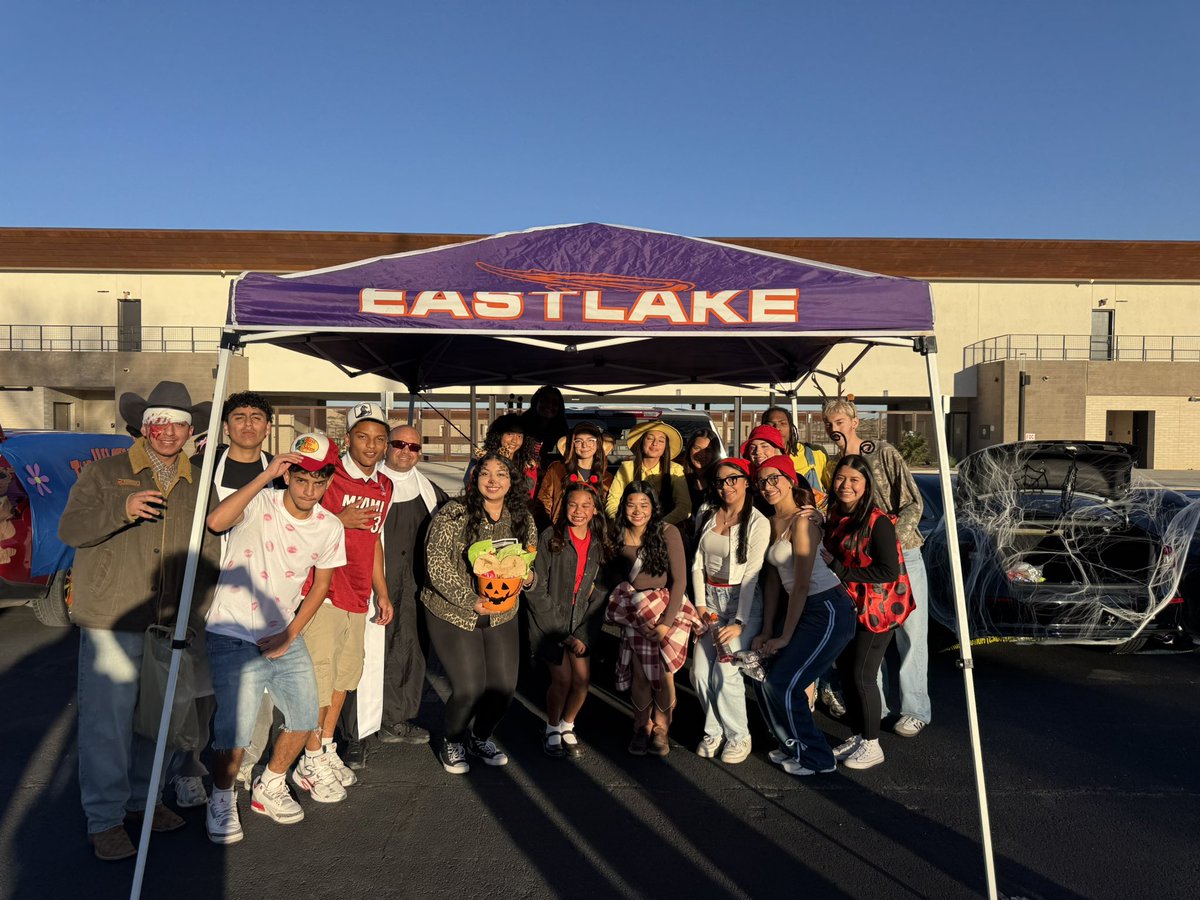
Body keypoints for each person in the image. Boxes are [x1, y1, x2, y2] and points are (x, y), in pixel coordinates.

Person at [60, 381, 209, 860]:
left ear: (189, 430)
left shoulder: (198, 479)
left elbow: (209, 549)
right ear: (143, 427)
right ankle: (104, 819)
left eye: (177, 423)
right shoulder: (108, 472)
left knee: (156, 722)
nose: (167, 431)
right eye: (158, 422)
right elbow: (72, 530)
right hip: (112, 618)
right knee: (108, 723)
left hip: (168, 622)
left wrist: (197, 612)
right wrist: (119, 509)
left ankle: (143, 804)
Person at [203, 434, 346, 843]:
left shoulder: (329, 526)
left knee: (303, 719)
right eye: (302, 480)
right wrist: (266, 474)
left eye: (320, 483)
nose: (310, 491)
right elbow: (216, 522)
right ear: (289, 475)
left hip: (282, 632)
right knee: (235, 729)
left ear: (329, 482)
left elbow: (320, 586)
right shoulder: (261, 501)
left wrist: (290, 633)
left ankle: (270, 784)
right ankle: (222, 795)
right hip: (232, 631)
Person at [421, 452, 539, 774]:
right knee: (470, 688)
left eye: (501, 474)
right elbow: (436, 563)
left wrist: (528, 579)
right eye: (484, 473)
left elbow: (529, 562)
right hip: (454, 611)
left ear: (512, 481)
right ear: (474, 478)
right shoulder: (454, 513)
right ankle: (453, 739)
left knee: (503, 689)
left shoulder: (522, 518)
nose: (492, 480)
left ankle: (480, 736)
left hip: (502, 611)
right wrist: (468, 598)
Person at [823, 397, 930, 738]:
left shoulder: (882, 452)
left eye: (839, 421)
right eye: (828, 424)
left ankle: (914, 709)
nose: (833, 428)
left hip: (902, 556)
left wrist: (885, 539)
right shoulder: (833, 465)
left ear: (854, 422)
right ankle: (877, 706)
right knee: (870, 634)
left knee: (910, 634)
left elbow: (915, 502)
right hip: (859, 567)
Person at [191, 391, 278, 797]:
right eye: (239, 417)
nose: (248, 424)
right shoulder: (199, 470)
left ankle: (244, 763)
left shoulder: (280, 475)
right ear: (225, 427)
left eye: (256, 417)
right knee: (198, 689)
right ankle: (188, 767)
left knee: (257, 688)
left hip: (257, 593)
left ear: (267, 426)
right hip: (203, 589)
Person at [301, 402, 394, 778]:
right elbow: (297, 520)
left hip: (358, 594)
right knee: (319, 680)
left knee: (344, 678)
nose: (371, 446)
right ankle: (308, 757)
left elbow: (373, 541)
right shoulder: (327, 474)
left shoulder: (384, 485)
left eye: (379, 439)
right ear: (347, 439)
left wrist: (382, 591)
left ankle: (324, 747)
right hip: (322, 592)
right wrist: (338, 520)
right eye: (362, 436)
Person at [751, 456, 856, 776]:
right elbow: (772, 582)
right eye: (762, 481)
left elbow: (801, 585)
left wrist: (784, 636)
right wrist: (767, 630)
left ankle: (819, 758)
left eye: (774, 479)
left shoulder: (803, 521)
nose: (768, 487)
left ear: (790, 480)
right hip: (806, 608)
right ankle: (794, 747)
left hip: (827, 607)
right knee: (768, 679)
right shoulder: (770, 523)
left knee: (788, 682)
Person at [822, 454, 911, 770]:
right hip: (849, 607)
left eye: (854, 480)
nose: (846, 485)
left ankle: (873, 744)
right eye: (841, 478)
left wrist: (841, 570)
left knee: (863, 676)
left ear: (866, 485)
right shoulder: (835, 514)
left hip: (876, 611)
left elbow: (888, 571)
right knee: (847, 673)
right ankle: (859, 736)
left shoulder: (878, 522)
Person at [604, 481, 698, 756]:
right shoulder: (616, 535)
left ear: (653, 508)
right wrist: (635, 617)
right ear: (623, 507)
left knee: (665, 676)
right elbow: (615, 582)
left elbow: (679, 581)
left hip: (666, 611)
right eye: (631, 504)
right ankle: (641, 727)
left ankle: (662, 729)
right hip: (635, 612)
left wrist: (665, 624)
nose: (637, 510)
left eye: (644, 505)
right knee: (641, 676)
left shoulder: (667, 532)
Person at [525, 482, 614, 758]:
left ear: (595, 510)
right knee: (562, 679)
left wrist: (582, 635)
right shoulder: (551, 537)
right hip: (549, 621)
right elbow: (537, 586)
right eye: (573, 504)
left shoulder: (600, 543)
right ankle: (551, 727)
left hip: (580, 623)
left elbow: (600, 591)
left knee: (582, 680)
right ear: (564, 507)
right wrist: (557, 629)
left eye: (586, 505)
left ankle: (567, 724)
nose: (578, 511)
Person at [689, 458, 769, 764]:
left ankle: (739, 736)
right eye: (720, 481)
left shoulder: (758, 522)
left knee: (726, 671)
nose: (726, 487)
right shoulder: (708, 513)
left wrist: (739, 622)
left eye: (733, 479)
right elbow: (697, 563)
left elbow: (751, 574)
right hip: (710, 601)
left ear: (746, 481)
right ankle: (714, 730)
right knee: (698, 672)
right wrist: (699, 606)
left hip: (741, 605)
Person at [375, 424, 448, 745]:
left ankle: (398, 718)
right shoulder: (367, 485)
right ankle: (359, 730)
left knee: (412, 650)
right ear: (387, 446)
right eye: (399, 444)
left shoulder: (430, 491)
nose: (406, 451)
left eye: (414, 447)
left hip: (415, 586)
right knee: (372, 653)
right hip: (374, 585)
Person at [605, 422, 692, 526]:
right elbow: (612, 502)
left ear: (666, 447)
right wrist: (622, 524)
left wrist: (659, 525)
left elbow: (684, 507)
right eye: (650, 438)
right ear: (641, 442)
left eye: (661, 440)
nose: (655, 443)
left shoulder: (675, 469)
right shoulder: (627, 468)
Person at [536, 421, 613, 526]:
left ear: (598, 444)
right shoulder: (557, 469)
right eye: (578, 441)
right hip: (560, 531)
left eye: (590, 440)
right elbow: (543, 503)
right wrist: (548, 529)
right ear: (572, 444)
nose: (584, 445)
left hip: (594, 534)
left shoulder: (607, 477)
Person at [761, 406, 830, 505]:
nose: (777, 428)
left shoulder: (815, 454)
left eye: (783, 423)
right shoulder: (759, 459)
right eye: (771, 425)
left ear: (791, 428)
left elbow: (833, 493)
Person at [465, 413, 539, 500]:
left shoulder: (528, 466)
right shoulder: (482, 463)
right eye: (509, 434)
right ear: (499, 435)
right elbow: (472, 495)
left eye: (519, 436)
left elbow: (529, 496)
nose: (514, 440)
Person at [519, 384, 569, 481]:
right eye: (545, 400)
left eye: (554, 403)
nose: (549, 405)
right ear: (535, 402)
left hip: (550, 481)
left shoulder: (562, 432)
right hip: (522, 479)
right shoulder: (520, 427)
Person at [679, 428, 718, 518]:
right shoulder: (679, 478)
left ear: (715, 453)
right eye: (697, 448)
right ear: (689, 449)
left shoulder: (720, 480)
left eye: (708, 450)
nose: (701, 454)